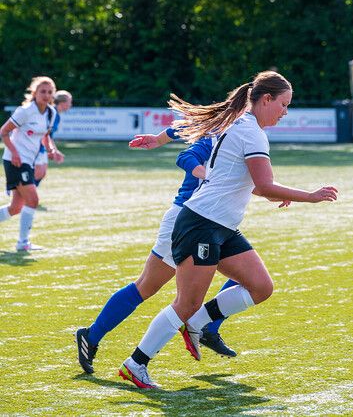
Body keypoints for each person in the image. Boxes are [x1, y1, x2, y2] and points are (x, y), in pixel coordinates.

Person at [119, 71, 338, 389]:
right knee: (186, 302)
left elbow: (254, 185)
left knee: (261, 286)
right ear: (266, 99)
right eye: (284, 105)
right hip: (201, 225)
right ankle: (135, 364)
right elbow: (264, 186)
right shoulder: (251, 131)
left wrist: (281, 193)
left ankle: (197, 323)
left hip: (221, 227)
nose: (285, 112)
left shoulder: (240, 123)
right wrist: (309, 196)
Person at [75, 129, 246, 375]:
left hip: (213, 222)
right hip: (189, 220)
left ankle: (208, 326)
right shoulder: (217, 135)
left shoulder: (239, 135)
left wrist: (160, 138)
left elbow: (186, 123)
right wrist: (208, 176)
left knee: (248, 277)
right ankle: (93, 337)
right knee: (146, 287)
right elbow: (186, 158)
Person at [0, 76, 61, 251]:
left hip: (28, 162)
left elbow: (44, 136)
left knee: (16, 207)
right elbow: (4, 132)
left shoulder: (51, 113)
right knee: (33, 199)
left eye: (50, 92)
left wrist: (51, 150)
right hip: (15, 161)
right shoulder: (25, 111)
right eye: (42, 91)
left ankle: (23, 243)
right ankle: (23, 243)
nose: (46, 95)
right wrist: (15, 153)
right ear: (34, 93)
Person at [34, 90, 72, 188]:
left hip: (42, 145)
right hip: (36, 145)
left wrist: (54, 150)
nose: (70, 104)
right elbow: (45, 134)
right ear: (63, 103)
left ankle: (28, 196)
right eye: (69, 102)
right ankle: (26, 196)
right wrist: (52, 150)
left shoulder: (56, 114)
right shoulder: (52, 113)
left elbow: (49, 136)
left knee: (42, 172)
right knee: (38, 172)